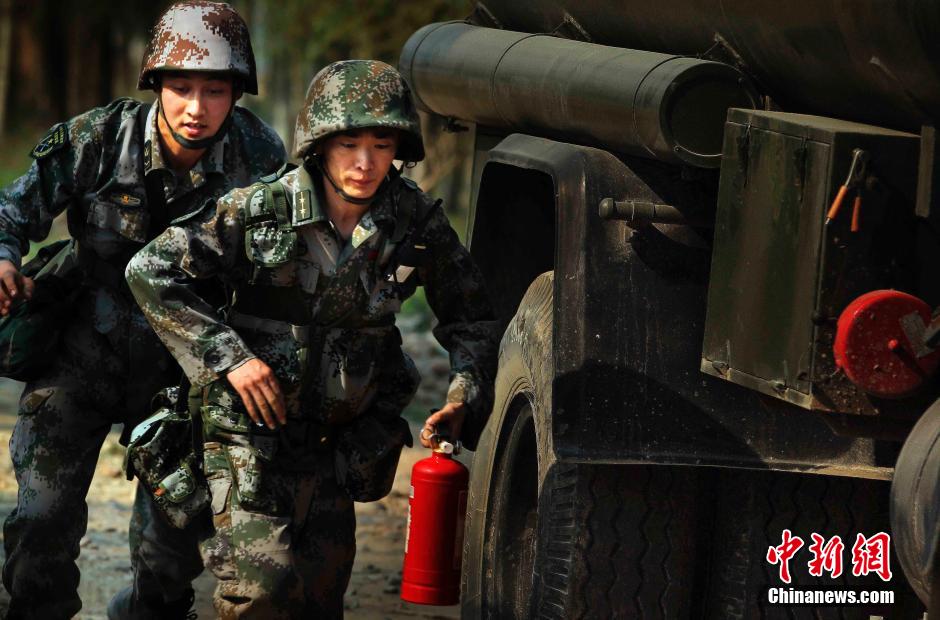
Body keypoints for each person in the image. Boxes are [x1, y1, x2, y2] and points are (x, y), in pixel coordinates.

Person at [126, 59, 499, 617]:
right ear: (320, 145)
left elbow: (473, 318)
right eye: (349, 144)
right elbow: (150, 271)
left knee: (318, 602)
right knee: (261, 594)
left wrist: (462, 395)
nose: (365, 163)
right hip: (246, 440)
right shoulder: (259, 209)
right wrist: (231, 359)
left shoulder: (414, 223)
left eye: (381, 145)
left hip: (336, 448)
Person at [0, 2, 286, 618]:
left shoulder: (259, 154)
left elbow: (277, 270)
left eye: (215, 91)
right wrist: (2, 257)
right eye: (181, 87)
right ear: (155, 84)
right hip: (80, 349)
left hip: (182, 369)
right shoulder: (99, 138)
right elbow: (12, 210)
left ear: (237, 94)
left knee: (171, 553)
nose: (196, 107)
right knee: (41, 522)